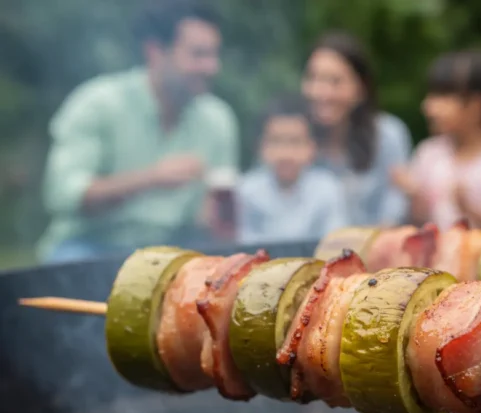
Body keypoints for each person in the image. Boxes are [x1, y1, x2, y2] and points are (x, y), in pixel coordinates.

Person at [37, 0, 239, 263]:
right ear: (155, 52)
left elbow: (211, 219)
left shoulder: (218, 119)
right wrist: (152, 178)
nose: (212, 67)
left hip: (172, 250)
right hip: (91, 245)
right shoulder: (97, 103)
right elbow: (63, 194)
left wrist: (215, 222)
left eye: (214, 55)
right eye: (198, 55)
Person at [393, 51, 481, 231]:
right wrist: (414, 194)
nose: (428, 107)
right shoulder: (428, 152)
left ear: (476, 105)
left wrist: (470, 210)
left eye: (442, 97)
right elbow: (420, 221)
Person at [301, 32, 412, 227]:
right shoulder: (293, 137)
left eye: (335, 81)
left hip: (375, 242)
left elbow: (396, 207)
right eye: (313, 78)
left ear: (361, 89)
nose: (321, 92)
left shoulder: (387, 134)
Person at [236, 95, 348, 244]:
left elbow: (337, 244)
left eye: (295, 142)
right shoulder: (246, 191)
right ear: (261, 147)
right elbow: (241, 245)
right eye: (276, 141)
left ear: (312, 147)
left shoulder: (327, 189)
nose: (286, 153)